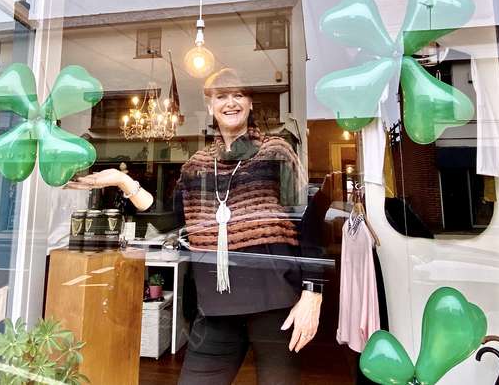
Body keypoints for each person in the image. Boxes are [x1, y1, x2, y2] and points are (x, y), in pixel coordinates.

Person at [71, 68, 323, 385]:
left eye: (238, 94)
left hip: (275, 305)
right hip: (216, 308)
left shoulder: (276, 151)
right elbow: (169, 222)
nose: (230, 102)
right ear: (209, 106)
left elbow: (308, 221)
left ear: (250, 103)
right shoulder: (196, 166)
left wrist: (313, 293)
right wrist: (124, 182)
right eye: (220, 96)